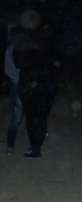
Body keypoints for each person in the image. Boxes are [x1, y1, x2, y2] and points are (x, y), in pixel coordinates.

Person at [12, 21, 59, 159]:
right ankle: (36, 146)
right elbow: (56, 63)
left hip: (33, 86)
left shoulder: (25, 46)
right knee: (40, 117)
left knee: (34, 118)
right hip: (45, 85)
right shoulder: (48, 45)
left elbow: (19, 63)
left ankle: (36, 149)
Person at [4, 26, 23, 154]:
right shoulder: (11, 50)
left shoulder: (30, 48)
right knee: (17, 116)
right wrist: (20, 75)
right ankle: (10, 145)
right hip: (18, 86)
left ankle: (36, 145)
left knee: (34, 114)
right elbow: (8, 70)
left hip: (32, 86)